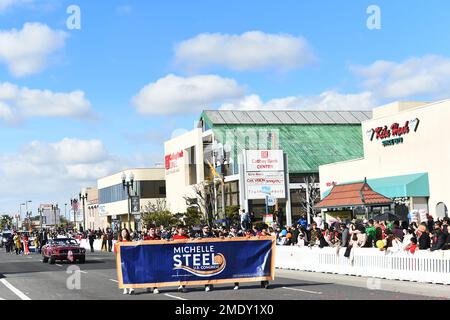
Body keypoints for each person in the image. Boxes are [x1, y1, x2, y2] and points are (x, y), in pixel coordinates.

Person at [115, 228, 134, 295]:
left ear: (127, 233)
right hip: (122, 260)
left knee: (129, 274)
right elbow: (116, 251)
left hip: (129, 260)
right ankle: (125, 288)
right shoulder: (118, 242)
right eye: (122, 232)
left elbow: (133, 251)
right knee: (123, 274)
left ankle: (131, 288)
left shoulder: (130, 242)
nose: (124, 233)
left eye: (125, 232)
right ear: (121, 233)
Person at [171, 225, 190, 293]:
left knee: (185, 271)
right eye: (182, 229)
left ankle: (183, 285)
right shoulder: (174, 237)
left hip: (185, 256)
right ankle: (180, 285)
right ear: (178, 229)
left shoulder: (187, 237)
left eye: (184, 229)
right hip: (177, 257)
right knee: (178, 270)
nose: (183, 230)